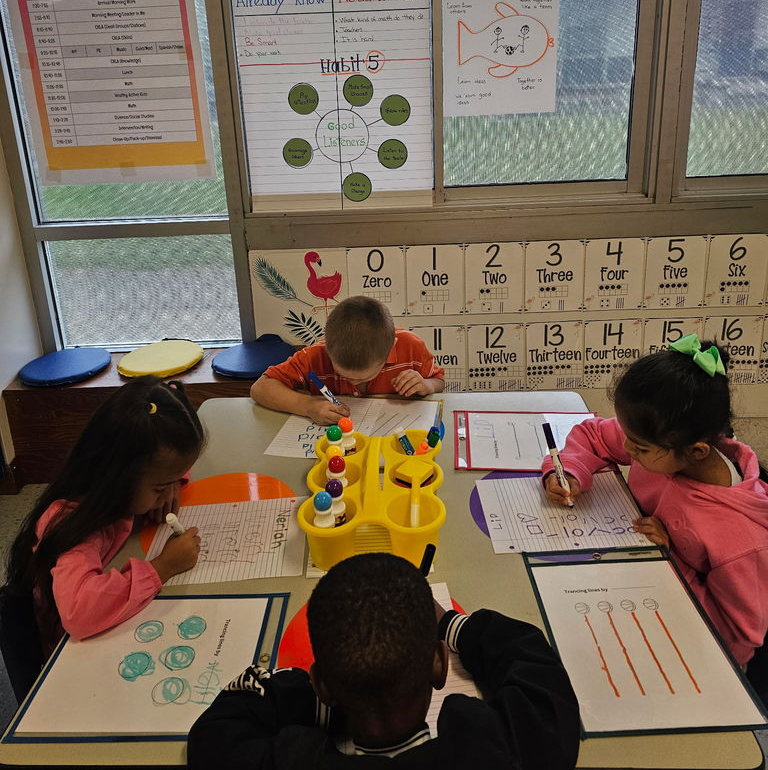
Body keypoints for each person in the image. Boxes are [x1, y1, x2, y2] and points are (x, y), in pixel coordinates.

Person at [187, 552, 580, 769]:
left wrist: (321, 696)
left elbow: (217, 731)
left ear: (321, 683)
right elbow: (537, 669)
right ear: (439, 665)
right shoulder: (504, 753)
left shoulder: (289, 760)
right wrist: (452, 624)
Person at [542, 335, 768, 667]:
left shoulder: (742, 538)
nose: (628, 450)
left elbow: (739, 642)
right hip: (630, 588)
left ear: (696, 452)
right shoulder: (668, 444)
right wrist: (570, 472)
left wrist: (671, 559)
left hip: (687, 650)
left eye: (639, 448)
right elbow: (593, 435)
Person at [2, 375, 205, 658]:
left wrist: (171, 487)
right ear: (118, 477)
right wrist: (163, 566)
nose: (169, 491)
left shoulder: (118, 481)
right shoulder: (70, 522)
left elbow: (167, 463)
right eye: (160, 486)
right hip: (74, 655)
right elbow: (79, 613)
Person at [251, 296, 444, 425]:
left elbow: (439, 382)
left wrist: (427, 385)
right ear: (327, 348)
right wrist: (308, 406)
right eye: (343, 374)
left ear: (391, 347)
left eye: (366, 376)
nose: (354, 383)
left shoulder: (411, 347)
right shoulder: (314, 355)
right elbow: (260, 388)